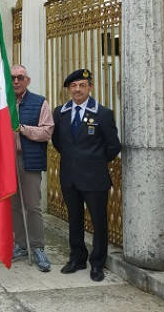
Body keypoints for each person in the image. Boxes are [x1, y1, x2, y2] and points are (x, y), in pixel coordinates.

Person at [52, 69, 121, 282]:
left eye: (82, 85)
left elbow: (113, 146)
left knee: (99, 220)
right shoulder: (60, 113)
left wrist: (94, 161)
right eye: (73, 86)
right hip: (69, 177)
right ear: (68, 89)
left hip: (94, 177)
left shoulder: (102, 114)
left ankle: (97, 263)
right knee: (75, 218)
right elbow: (58, 142)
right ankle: (77, 257)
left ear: (90, 87)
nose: (77, 89)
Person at [10, 64, 54, 272]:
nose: (16, 82)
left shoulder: (39, 102)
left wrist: (23, 129)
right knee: (14, 206)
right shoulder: (3, 103)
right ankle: (20, 244)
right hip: (8, 162)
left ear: (27, 80)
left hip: (29, 160)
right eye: (12, 78)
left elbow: (46, 131)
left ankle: (38, 247)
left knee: (33, 206)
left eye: (20, 77)